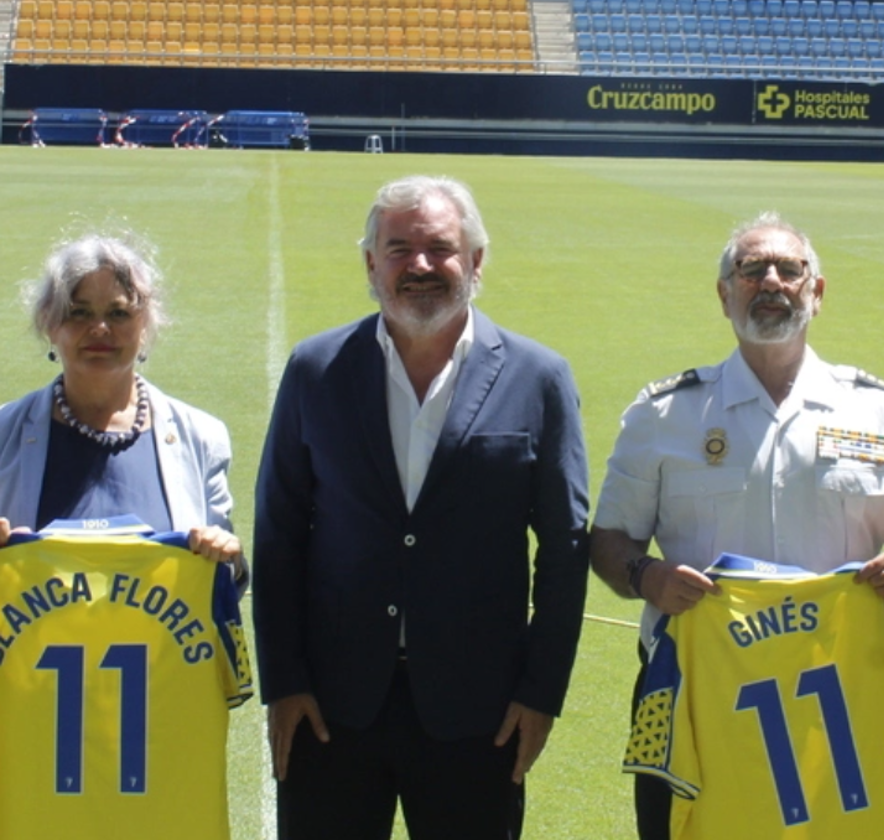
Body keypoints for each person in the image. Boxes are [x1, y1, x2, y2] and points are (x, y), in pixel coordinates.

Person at [590, 211, 884, 839]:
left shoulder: (880, 412)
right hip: (695, 695)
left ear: (817, 291)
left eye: (790, 268)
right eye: (751, 269)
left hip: (839, 699)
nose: (772, 282)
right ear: (724, 293)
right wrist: (647, 577)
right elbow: (608, 539)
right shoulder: (664, 416)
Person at [253, 175, 590, 840]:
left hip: (481, 714)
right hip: (330, 708)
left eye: (440, 247)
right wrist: (284, 681)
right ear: (370, 263)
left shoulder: (539, 377)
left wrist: (540, 693)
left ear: (476, 261)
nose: (421, 266)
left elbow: (565, 546)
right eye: (400, 248)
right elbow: (279, 534)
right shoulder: (315, 368)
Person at [0, 233, 246, 573]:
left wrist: (227, 557)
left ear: (145, 323)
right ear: (49, 324)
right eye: (79, 313)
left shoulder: (202, 438)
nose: (99, 328)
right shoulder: (4, 434)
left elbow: (223, 585)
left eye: (118, 313)